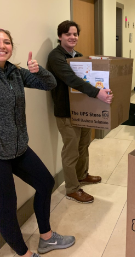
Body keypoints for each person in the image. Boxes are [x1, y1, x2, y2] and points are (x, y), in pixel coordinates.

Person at [0, 29, 75, 257]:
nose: (3, 46)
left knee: (45, 182)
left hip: (19, 147)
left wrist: (38, 70)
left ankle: (47, 238)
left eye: (6, 42)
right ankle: (23, 253)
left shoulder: (15, 72)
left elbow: (50, 84)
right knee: (7, 207)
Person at [47, 20, 113, 204]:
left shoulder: (79, 56)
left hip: (82, 111)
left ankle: (82, 175)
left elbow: (89, 78)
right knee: (71, 151)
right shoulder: (56, 57)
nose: (73, 37)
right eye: (68, 34)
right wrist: (97, 93)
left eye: (75, 34)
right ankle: (72, 188)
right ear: (60, 36)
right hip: (66, 112)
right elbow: (71, 79)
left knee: (84, 145)